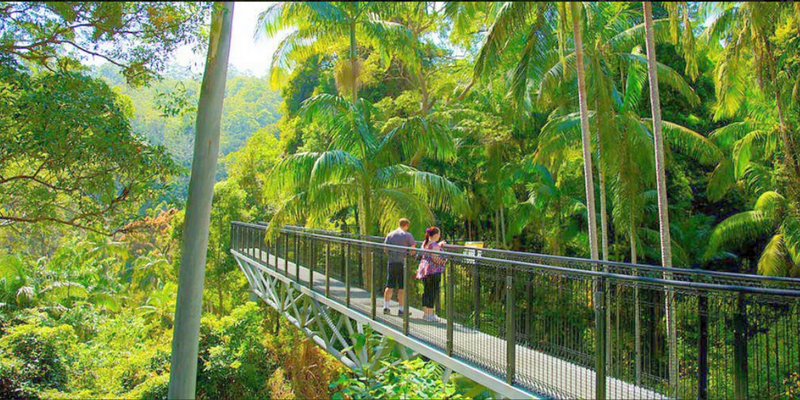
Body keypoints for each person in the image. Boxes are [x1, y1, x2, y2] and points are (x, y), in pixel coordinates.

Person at [383, 218, 415, 316]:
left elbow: (385, 249)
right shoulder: (407, 235)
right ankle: (401, 310)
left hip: (392, 262)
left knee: (390, 285)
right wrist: (408, 254)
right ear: (407, 225)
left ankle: (386, 307)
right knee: (402, 287)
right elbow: (413, 250)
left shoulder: (390, 234)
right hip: (402, 263)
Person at [416, 227, 447, 322]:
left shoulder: (425, 243)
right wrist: (444, 261)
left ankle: (426, 313)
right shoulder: (435, 245)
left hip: (424, 270)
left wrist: (439, 245)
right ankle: (430, 314)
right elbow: (435, 258)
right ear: (436, 235)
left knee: (426, 291)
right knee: (432, 292)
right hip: (433, 271)